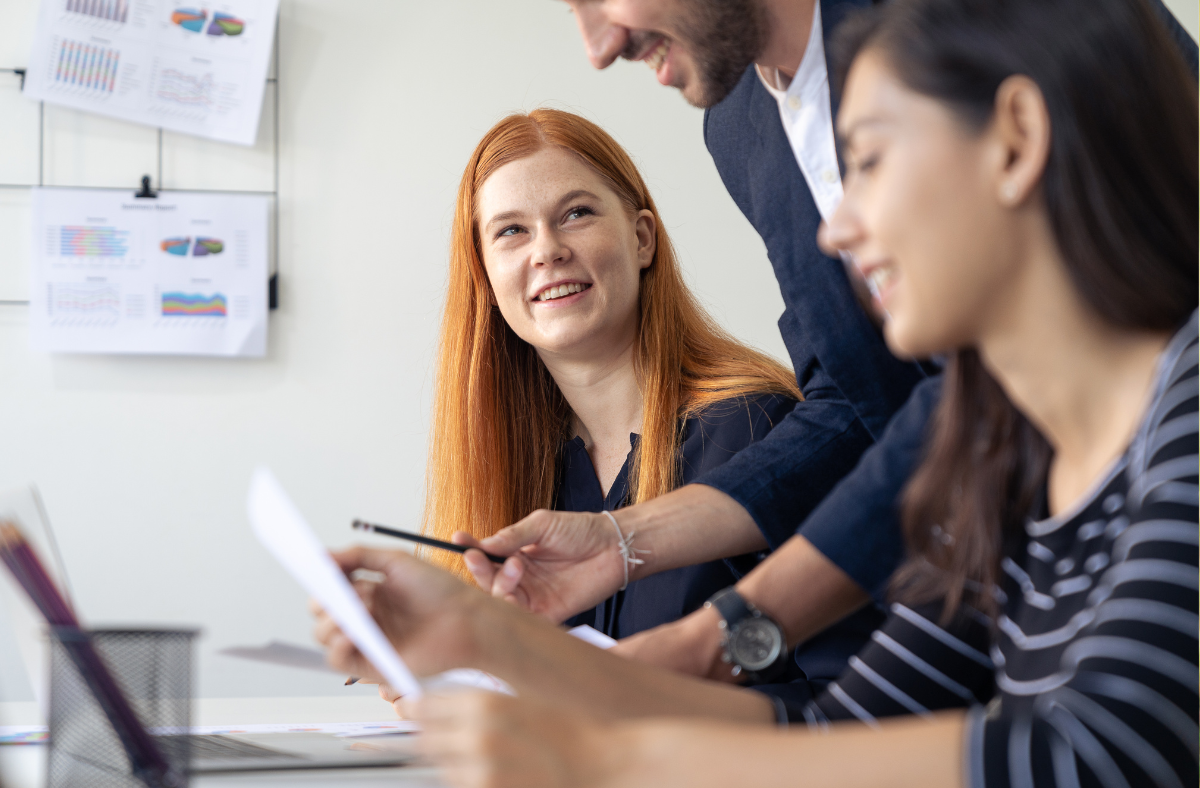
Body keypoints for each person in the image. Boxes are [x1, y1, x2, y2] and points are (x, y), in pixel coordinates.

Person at [314, 0, 1197, 784]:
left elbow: (1109, 749)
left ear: (1015, 139)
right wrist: (486, 639)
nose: (838, 228)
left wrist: (611, 760)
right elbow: (834, 729)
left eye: (873, 159)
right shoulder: (995, 461)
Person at [418, 106, 802, 644]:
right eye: (511, 231)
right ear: (484, 275)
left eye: (576, 214)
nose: (547, 250)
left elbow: (840, 697)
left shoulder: (762, 425)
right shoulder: (511, 467)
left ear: (642, 239)